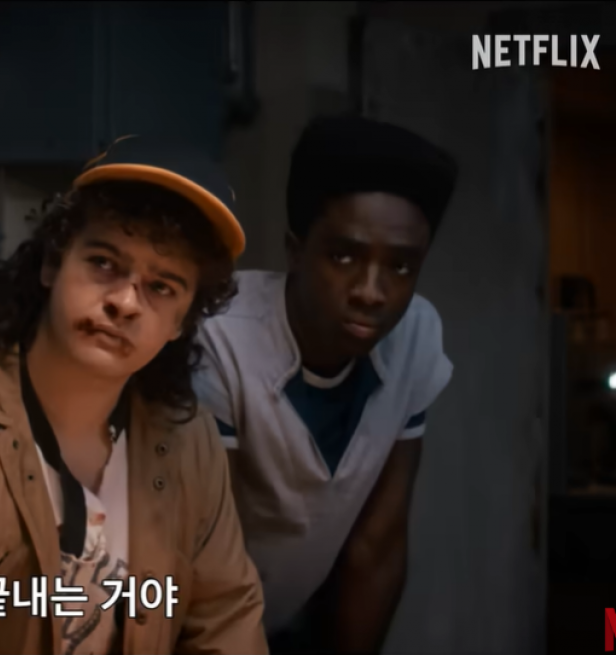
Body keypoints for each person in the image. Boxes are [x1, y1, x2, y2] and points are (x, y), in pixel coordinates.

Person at [0, 137, 269, 655]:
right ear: (52, 263)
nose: (126, 302)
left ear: (181, 322)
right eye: (105, 263)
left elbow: (228, 624)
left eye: (162, 287)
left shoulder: (189, 441)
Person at [192, 114, 458, 654]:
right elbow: (210, 556)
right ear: (295, 250)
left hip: (286, 621)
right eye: (343, 256)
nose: (371, 291)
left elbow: (377, 547)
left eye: (401, 267)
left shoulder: (415, 335)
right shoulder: (219, 338)